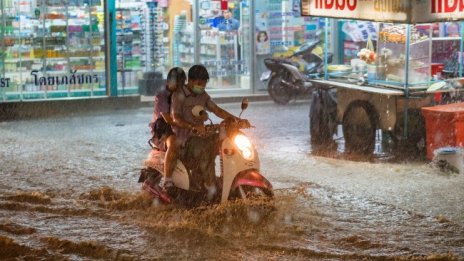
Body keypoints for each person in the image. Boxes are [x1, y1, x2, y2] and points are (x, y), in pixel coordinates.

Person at [170, 64, 246, 199]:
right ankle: (210, 187)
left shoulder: (203, 96)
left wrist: (236, 121)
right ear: (190, 81)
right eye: (199, 83)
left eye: (204, 84)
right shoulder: (178, 95)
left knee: (227, 144)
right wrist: (192, 127)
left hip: (202, 136)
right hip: (186, 140)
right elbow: (176, 118)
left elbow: (217, 110)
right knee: (205, 150)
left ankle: (226, 181)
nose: (202, 87)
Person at [148, 67, 186, 189]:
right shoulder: (162, 95)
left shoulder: (184, 94)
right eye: (178, 84)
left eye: (182, 84)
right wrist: (189, 124)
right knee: (173, 143)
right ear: (169, 81)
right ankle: (168, 180)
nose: (180, 87)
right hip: (163, 128)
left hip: (179, 126)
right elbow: (169, 119)